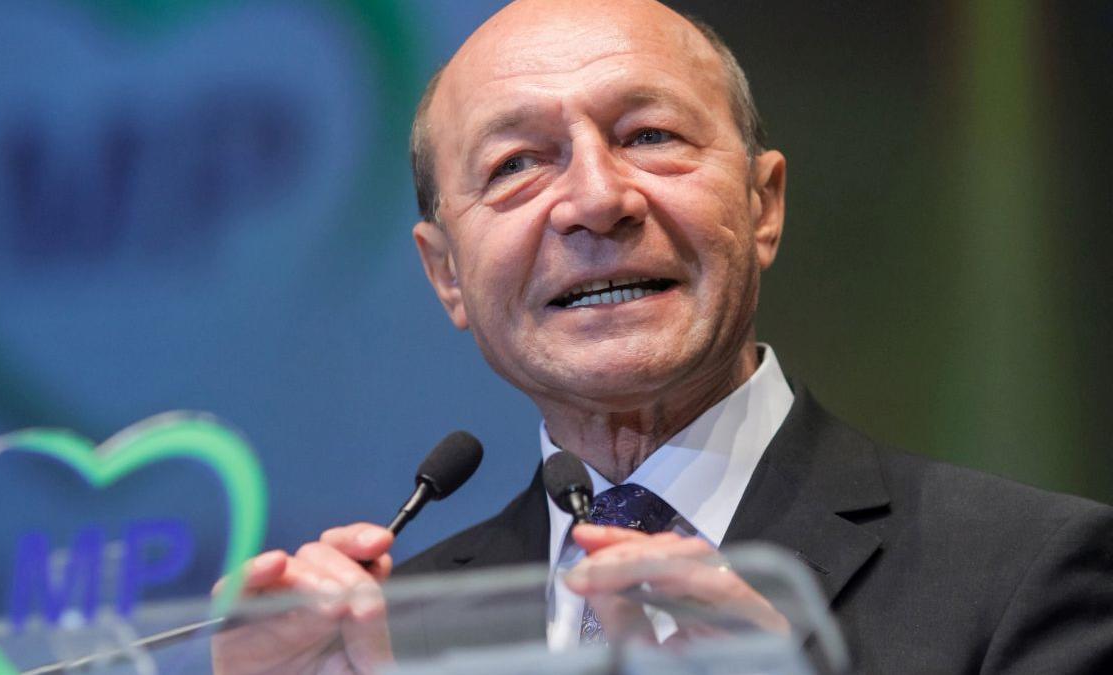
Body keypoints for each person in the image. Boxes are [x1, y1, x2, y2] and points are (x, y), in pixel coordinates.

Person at [213, 0, 1113, 672]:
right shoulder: (391, 637)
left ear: (763, 205)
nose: (597, 199)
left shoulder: (1027, 570)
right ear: (447, 272)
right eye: (517, 163)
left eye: (649, 135)